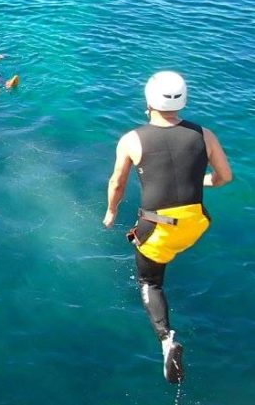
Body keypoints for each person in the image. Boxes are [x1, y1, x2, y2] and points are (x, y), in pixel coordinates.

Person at [103, 71, 232, 384]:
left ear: (148, 101)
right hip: (196, 223)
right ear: (183, 99)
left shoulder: (132, 139)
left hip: (159, 228)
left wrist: (110, 212)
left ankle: (166, 341)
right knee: (170, 247)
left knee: (150, 282)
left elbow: (117, 183)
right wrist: (198, 180)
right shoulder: (205, 134)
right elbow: (224, 177)